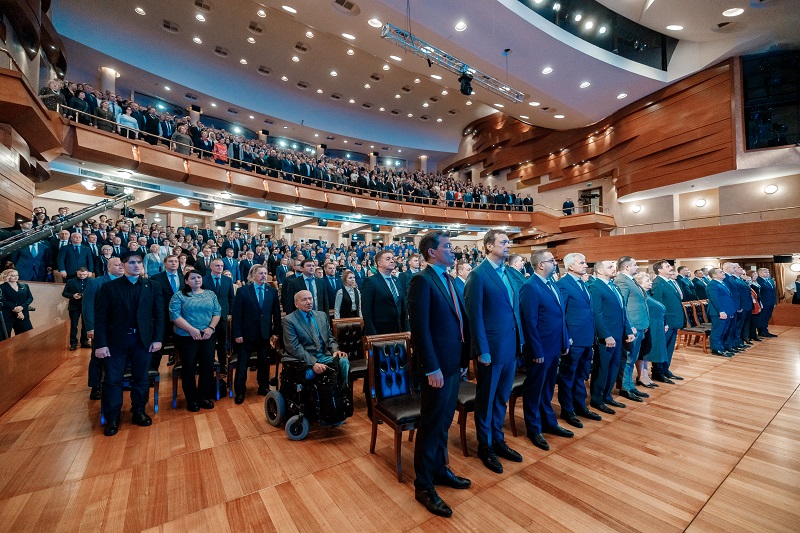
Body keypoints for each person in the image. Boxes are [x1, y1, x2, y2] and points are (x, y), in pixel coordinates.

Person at [407, 231, 471, 518]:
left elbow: (459, 322)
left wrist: (463, 360)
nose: (453, 250)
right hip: (436, 368)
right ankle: (423, 485)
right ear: (432, 252)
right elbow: (421, 329)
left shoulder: (450, 279)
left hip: (453, 364)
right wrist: (431, 368)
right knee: (431, 425)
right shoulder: (422, 281)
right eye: (447, 246)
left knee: (444, 422)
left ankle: (440, 469)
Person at [464, 230, 522, 474]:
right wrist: (482, 350)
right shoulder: (478, 275)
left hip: (510, 346)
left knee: (501, 397)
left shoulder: (509, 273)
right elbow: (474, 316)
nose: (508, 245)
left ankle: (498, 439)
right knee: (486, 400)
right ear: (489, 246)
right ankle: (485, 445)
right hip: (490, 349)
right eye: (503, 242)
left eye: (509, 242)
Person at [93, 251, 164, 437]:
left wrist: (157, 339)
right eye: (131, 262)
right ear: (123, 265)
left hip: (143, 341)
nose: (136, 265)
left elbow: (159, 315)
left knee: (141, 378)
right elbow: (100, 318)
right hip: (115, 342)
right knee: (113, 380)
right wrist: (101, 344)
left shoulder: (153, 286)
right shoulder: (109, 287)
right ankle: (113, 417)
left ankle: (138, 411)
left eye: (139, 262)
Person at [519, 250, 572, 452]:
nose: (555, 263)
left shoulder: (552, 284)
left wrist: (564, 341)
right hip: (540, 349)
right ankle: (534, 429)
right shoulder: (530, 287)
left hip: (554, 346)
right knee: (534, 390)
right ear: (541, 264)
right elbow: (529, 323)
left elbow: (560, 317)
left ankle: (549, 422)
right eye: (551, 260)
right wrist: (536, 351)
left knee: (548, 388)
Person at [556, 253, 601, 427]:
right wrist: (566, 337)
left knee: (581, 374)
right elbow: (561, 314)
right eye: (581, 263)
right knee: (568, 375)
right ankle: (567, 410)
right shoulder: (563, 284)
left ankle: (580, 405)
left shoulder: (583, 283)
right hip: (573, 339)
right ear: (570, 266)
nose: (585, 265)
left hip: (587, 337)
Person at [169, 270, 221, 411]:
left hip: (207, 335)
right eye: (193, 278)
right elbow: (175, 315)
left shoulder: (210, 294)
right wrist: (191, 329)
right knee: (189, 367)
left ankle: (203, 397)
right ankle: (191, 400)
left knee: (207, 366)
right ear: (186, 281)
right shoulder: (179, 296)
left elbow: (217, 312)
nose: (197, 279)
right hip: (186, 336)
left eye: (199, 277)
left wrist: (211, 328)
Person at [588, 260, 635, 415]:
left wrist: (628, 330)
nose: (614, 269)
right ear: (600, 271)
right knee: (602, 368)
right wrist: (605, 335)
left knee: (614, 367)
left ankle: (607, 395)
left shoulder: (614, 286)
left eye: (614, 266)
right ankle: (597, 399)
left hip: (619, 333)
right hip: (607, 336)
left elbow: (622, 311)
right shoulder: (595, 287)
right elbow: (597, 314)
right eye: (609, 267)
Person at [231, 265, 281, 404]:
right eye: (261, 273)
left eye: (265, 273)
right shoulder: (243, 291)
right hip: (246, 335)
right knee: (242, 364)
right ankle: (240, 391)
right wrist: (237, 333)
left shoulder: (272, 291)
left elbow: (276, 314)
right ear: (253, 275)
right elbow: (237, 315)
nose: (264, 276)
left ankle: (263, 386)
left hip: (264, 334)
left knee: (264, 362)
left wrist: (276, 332)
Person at [282, 290, 350, 387]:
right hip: (304, 360)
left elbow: (330, 338)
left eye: (310, 299)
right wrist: (313, 363)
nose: (309, 302)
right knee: (313, 375)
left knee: (343, 361)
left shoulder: (321, 315)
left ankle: (343, 391)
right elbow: (294, 347)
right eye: (304, 300)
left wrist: (335, 350)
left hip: (324, 355)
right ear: (296, 304)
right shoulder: (289, 320)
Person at [83, 257, 124, 400]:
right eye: (117, 265)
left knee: (119, 356)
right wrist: (91, 328)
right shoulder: (95, 283)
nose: (121, 267)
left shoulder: (127, 282)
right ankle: (96, 386)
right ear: (108, 267)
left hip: (121, 328)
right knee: (98, 358)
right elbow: (88, 306)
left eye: (122, 265)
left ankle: (118, 381)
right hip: (101, 328)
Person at [613, 257, 649, 403]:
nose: (637, 267)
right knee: (627, 358)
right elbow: (622, 305)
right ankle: (624, 387)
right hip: (632, 326)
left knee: (632, 357)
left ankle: (630, 385)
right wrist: (629, 326)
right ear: (627, 267)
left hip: (639, 325)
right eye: (635, 264)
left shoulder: (631, 280)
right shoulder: (622, 280)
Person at [649, 261, 686, 383]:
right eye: (667, 266)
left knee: (669, 348)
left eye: (670, 266)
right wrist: (663, 322)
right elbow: (658, 305)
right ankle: (657, 372)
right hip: (666, 321)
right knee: (661, 347)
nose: (671, 268)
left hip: (674, 320)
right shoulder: (658, 283)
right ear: (660, 270)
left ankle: (666, 370)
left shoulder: (669, 282)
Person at [202, 258, 235, 388]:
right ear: (211, 266)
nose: (220, 267)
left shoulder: (227, 280)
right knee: (209, 343)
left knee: (223, 343)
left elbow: (231, 298)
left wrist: (230, 313)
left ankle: (222, 365)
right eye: (217, 265)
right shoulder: (204, 280)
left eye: (221, 266)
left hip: (223, 316)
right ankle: (209, 366)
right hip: (207, 317)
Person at [361, 250, 406, 335]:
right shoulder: (371, 281)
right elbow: (367, 311)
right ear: (379, 263)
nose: (392, 261)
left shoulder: (397, 280)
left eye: (393, 258)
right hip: (379, 332)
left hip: (398, 330)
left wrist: (407, 329)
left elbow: (403, 307)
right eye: (388, 259)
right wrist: (372, 335)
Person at [634, 272, 666, 387]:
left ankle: (645, 375)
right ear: (639, 283)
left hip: (654, 325)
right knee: (643, 352)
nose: (651, 282)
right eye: (647, 281)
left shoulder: (647, 293)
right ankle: (641, 376)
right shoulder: (640, 295)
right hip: (647, 326)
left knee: (646, 353)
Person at [706, 267, 737, 357]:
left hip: (726, 311)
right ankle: (716, 349)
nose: (723, 273)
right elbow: (715, 299)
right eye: (720, 272)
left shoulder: (722, 283)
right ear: (714, 275)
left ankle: (722, 347)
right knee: (718, 331)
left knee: (724, 330)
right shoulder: (712, 284)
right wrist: (721, 311)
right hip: (718, 312)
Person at [62, 267, 91, 350]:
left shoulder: (91, 281)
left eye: (84, 274)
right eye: (80, 274)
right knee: (74, 325)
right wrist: (73, 296)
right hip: (74, 305)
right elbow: (64, 293)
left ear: (87, 273)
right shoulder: (71, 281)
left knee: (85, 325)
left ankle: (84, 342)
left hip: (86, 306)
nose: (82, 276)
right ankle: (73, 343)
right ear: (77, 273)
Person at [0, 270, 33, 339]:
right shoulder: (2, 287)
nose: (16, 277)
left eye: (17, 275)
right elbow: (3, 300)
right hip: (8, 315)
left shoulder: (24, 286)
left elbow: (30, 298)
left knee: (26, 335)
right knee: (4, 336)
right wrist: (15, 308)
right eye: (13, 276)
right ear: (7, 277)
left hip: (23, 314)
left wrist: (22, 307)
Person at [755, 268, 778, 337]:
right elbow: (758, 293)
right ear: (759, 273)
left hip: (771, 302)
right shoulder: (758, 280)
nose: (767, 273)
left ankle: (765, 330)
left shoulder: (770, 280)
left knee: (767, 317)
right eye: (765, 272)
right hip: (764, 302)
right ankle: (762, 331)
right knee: (763, 317)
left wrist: (774, 302)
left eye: (768, 272)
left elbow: (774, 291)